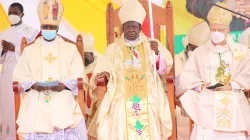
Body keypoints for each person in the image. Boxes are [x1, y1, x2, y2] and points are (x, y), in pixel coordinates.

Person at [90, 0, 173, 139]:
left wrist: (157, 54)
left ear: (140, 28)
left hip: (149, 91)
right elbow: (102, 68)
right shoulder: (113, 48)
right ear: (122, 28)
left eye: (134, 26)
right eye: (128, 26)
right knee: (120, 106)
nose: (131, 30)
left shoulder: (151, 45)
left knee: (151, 104)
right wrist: (105, 73)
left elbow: (163, 70)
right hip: (120, 92)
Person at [12, 0, 88, 139]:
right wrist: (33, 84)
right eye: (45, 27)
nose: (48, 30)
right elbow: (19, 76)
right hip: (36, 94)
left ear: (57, 29)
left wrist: (64, 85)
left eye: (51, 27)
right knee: (33, 105)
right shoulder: (29, 50)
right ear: (40, 27)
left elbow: (79, 74)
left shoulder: (70, 49)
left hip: (63, 93)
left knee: (65, 104)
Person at [177, 2, 250, 139]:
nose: (216, 33)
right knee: (204, 110)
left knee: (237, 106)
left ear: (228, 30)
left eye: (220, 30)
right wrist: (200, 86)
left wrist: (232, 85)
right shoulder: (199, 53)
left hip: (233, 95)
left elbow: (247, 72)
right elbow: (187, 77)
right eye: (213, 30)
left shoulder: (240, 51)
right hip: (208, 96)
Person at [0, 2, 38, 140]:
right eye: (10, 13)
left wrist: (14, 48)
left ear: (22, 14)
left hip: (24, 74)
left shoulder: (31, 32)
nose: (11, 16)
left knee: (23, 106)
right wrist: (3, 51)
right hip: (6, 76)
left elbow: (34, 53)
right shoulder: (3, 33)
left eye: (15, 13)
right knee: (7, 108)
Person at [174, 21, 210, 140]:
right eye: (193, 49)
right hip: (183, 108)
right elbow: (178, 87)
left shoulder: (210, 60)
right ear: (188, 47)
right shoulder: (177, 60)